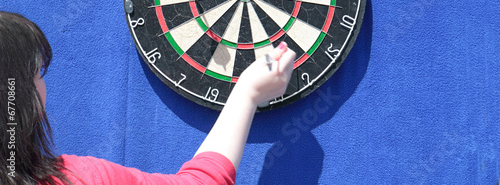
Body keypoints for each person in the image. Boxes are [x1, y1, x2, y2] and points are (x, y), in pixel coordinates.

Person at [0, 11, 296, 185]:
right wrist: (247, 94)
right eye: (37, 73)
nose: (43, 84)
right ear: (19, 95)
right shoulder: (75, 178)